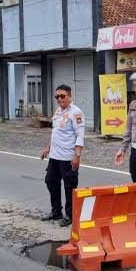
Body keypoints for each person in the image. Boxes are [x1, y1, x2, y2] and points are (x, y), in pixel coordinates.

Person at [40, 84, 85, 227]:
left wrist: (77, 156)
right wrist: (48, 148)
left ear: (70, 96)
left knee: (69, 187)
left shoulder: (76, 112)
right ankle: (56, 211)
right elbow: (56, 133)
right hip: (55, 156)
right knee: (50, 181)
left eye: (62, 96)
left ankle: (70, 215)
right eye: (57, 96)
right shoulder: (59, 111)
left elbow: (80, 135)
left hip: (67, 157)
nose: (59, 99)